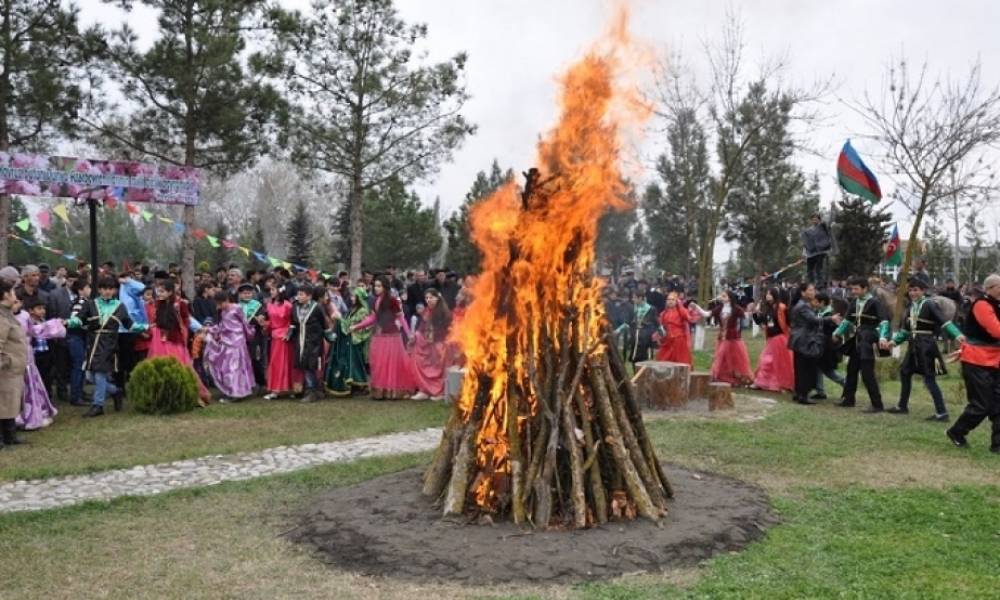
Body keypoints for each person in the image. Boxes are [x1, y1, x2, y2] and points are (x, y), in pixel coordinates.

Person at [884, 277, 964, 421]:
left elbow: (944, 322)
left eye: (915, 290)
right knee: (904, 372)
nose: (912, 293)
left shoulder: (930, 305)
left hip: (926, 346)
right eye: (910, 290)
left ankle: (942, 413)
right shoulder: (910, 308)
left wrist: (957, 334)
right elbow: (906, 330)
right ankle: (902, 406)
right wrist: (893, 342)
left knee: (929, 379)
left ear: (923, 291)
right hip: (913, 346)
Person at [68, 277, 144, 418]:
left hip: (109, 344)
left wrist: (145, 327)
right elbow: (79, 318)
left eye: (111, 289)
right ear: (99, 290)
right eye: (104, 288)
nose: (108, 291)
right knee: (90, 375)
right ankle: (115, 391)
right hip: (93, 342)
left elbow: (128, 323)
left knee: (99, 373)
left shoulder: (120, 306)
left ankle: (98, 405)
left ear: (115, 290)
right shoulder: (91, 304)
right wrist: (69, 322)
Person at [946, 273, 1000, 453]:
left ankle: (998, 445)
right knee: (981, 405)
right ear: (990, 288)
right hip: (977, 360)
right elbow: (996, 331)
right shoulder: (982, 305)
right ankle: (956, 432)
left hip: (995, 360)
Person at [350, 275, 416, 400]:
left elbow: (401, 318)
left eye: (379, 286)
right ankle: (379, 392)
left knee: (391, 364)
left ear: (385, 287)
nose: (376, 288)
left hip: (392, 337)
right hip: (378, 336)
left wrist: (409, 334)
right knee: (378, 364)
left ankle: (392, 391)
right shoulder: (375, 300)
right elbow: (373, 318)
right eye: (375, 286)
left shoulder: (393, 300)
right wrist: (357, 326)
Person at [833, 276, 890, 413]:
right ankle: (848, 399)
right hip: (857, 339)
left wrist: (882, 337)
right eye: (852, 288)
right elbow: (847, 321)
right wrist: (837, 333)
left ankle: (877, 404)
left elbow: (884, 322)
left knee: (867, 373)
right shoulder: (854, 302)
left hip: (868, 340)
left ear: (865, 288)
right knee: (851, 369)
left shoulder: (875, 302)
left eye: (856, 288)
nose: (853, 291)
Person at [148, 281, 210, 404]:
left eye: (162, 291)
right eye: (158, 291)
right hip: (159, 340)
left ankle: (190, 395)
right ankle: (164, 396)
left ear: (170, 292)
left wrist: (198, 329)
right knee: (160, 367)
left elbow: (187, 320)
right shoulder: (157, 304)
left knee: (181, 366)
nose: (159, 294)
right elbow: (155, 320)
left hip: (174, 340)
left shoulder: (179, 304)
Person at [15, 297, 66, 430]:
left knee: (30, 388)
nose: (17, 304)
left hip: (27, 359)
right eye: (14, 301)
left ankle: (31, 416)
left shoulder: (24, 316)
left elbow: (36, 330)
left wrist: (55, 324)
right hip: (11, 359)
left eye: (18, 301)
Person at [788, 283, 840, 405]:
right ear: (803, 292)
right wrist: (830, 319)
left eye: (813, 289)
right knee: (806, 368)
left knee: (799, 367)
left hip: (798, 339)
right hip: (805, 339)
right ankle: (803, 395)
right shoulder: (804, 306)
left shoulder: (800, 304)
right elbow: (814, 320)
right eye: (810, 290)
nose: (813, 292)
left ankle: (799, 393)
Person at [203, 290, 255, 402]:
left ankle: (236, 392)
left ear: (226, 300)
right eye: (217, 304)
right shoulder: (223, 312)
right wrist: (210, 330)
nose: (219, 306)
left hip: (237, 342)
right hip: (227, 342)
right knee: (227, 367)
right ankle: (234, 390)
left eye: (220, 304)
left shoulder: (237, 308)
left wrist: (249, 334)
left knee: (235, 367)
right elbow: (222, 326)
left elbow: (244, 323)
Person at [324, 286, 372, 396]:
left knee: (355, 363)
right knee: (352, 364)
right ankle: (356, 385)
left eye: (354, 296)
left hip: (356, 340)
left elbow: (352, 326)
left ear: (360, 297)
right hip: (350, 340)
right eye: (351, 296)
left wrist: (339, 318)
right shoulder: (353, 309)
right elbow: (348, 324)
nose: (351, 298)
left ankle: (360, 385)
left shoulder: (362, 311)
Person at [286, 285, 327, 403]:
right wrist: (289, 334)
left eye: (301, 294)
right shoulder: (295, 307)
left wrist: (324, 336)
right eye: (298, 294)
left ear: (309, 296)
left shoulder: (317, 307)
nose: (299, 297)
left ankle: (312, 391)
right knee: (303, 365)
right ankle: (312, 389)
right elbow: (293, 322)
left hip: (313, 342)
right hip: (300, 340)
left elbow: (323, 323)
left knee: (311, 366)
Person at [0, 280, 29, 449]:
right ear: (5, 295)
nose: (15, 296)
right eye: (12, 293)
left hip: (13, 370)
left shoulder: (7, 313)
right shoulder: (1, 317)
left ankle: (10, 436)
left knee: (10, 403)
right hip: (5, 369)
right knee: (3, 403)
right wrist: (6, 361)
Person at [410, 288, 452, 400]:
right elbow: (421, 327)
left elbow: (448, 330)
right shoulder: (426, 311)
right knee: (420, 360)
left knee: (439, 368)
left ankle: (440, 392)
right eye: (426, 298)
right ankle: (424, 389)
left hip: (439, 344)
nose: (428, 300)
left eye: (431, 297)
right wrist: (417, 335)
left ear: (437, 298)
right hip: (427, 343)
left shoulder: (444, 312)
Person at [261, 285, 302, 400]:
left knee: (287, 363)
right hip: (274, 337)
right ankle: (275, 389)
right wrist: (264, 325)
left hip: (285, 338)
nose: (271, 291)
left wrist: (288, 334)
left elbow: (293, 322)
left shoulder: (288, 305)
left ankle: (290, 388)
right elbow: (269, 321)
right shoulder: (269, 305)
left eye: (273, 289)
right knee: (275, 363)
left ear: (279, 291)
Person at [751, 287, 795, 393]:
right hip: (770, 339)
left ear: (775, 295)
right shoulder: (767, 309)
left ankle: (781, 383)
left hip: (779, 338)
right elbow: (759, 321)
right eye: (767, 294)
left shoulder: (781, 307)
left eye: (770, 294)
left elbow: (789, 322)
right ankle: (762, 382)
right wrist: (755, 313)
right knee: (766, 361)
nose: (767, 296)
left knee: (778, 362)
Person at [710, 291, 754, 386]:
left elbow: (745, 316)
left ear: (729, 298)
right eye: (721, 296)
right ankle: (720, 375)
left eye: (724, 296)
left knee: (732, 357)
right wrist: (696, 308)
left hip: (732, 337)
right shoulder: (719, 308)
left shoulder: (736, 308)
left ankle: (735, 376)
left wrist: (751, 311)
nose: (721, 297)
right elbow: (707, 314)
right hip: (722, 336)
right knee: (722, 356)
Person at [812, 292, 847, 400]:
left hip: (828, 348)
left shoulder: (831, 315)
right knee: (817, 367)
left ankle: (847, 384)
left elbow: (834, 331)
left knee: (828, 371)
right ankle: (820, 391)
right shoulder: (819, 312)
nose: (814, 303)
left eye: (816, 301)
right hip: (820, 346)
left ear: (822, 302)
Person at [65, 278, 92, 406]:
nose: (90, 290)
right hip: (76, 337)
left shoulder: (83, 301)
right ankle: (75, 396)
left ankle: (80, 393)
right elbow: (74, 319)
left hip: (79, 337)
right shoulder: (81, 302)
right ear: (81, 290)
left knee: (81, 365)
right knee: (78, 366)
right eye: (87, 287)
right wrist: (86, 326)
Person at [655, 292, 696, 366]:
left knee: (681, 363)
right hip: (667, 342)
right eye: (668, 299)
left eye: (672, 299)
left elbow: (689, 318)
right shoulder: (663, 314)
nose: (670, 301)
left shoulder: (681, 312)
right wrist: (658, 336)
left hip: (679, 341)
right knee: (662, 361)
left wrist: (680, 306)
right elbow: (661, 327)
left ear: (676, 301)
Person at [620, 290, 658, 367]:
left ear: (640, 298)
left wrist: (658, 332)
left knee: (646, 357)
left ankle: (645, 374)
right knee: (635, 357)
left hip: (646, 337)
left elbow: (655, 322)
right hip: (636, 336)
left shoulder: (651, 308)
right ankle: (635, 375)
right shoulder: (633, 308)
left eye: (634, 298)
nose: (633, 300)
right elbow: (629, 321)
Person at [800, 213, 833, 287]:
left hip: (821, 252)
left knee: (819, 268)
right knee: (809, 270)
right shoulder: (808, 231)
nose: (814, 220)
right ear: (811, 221)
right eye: (813, 219)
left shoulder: (822, 228)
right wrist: (804, 253)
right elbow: (806, 243)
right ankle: (811, 283)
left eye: (816, 219)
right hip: (811, 253)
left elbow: (829, 223)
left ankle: (820, 284)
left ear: (819, 220)